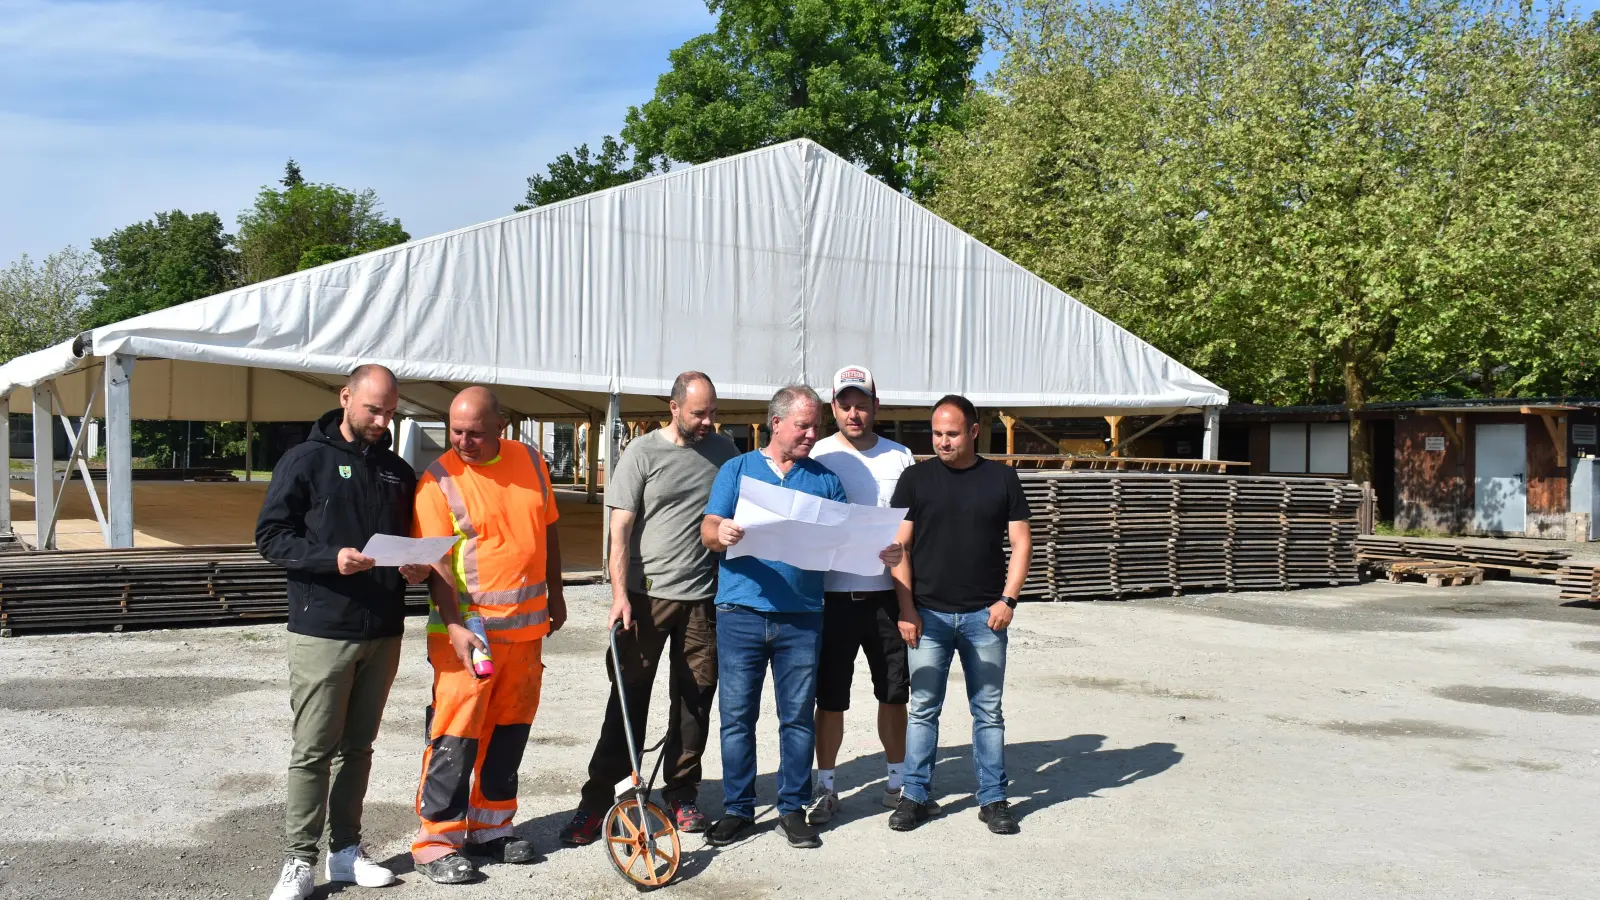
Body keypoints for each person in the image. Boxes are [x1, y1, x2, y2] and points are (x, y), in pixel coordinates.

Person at [256, 364, 431, 900]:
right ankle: (298, 860)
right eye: (373, 409)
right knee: (313, 749)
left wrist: (416, 567)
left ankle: (346, 852)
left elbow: (408, 539)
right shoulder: (305, 460)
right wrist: (330, 558)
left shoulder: (399, 472)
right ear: (346, 397)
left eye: (390, 412)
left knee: (358, 748)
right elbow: (271, 537)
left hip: (383, 627)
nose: (382, 421)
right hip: (323, 629)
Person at [559, 372, 738, 845]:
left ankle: (681, 794)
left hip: (702, 600)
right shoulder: (641, 453)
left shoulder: (725, 453)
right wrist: (619, 595)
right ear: (674, 407)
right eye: (699, 413)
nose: (708, 421)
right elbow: (619, 532)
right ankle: (600, 800)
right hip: (645, 598)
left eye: (713, 412)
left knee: (694, 700)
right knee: (627, 699)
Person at [409, 386, 566, 884]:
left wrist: (557, 594)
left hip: (524, 633)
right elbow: (436, 561)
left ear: (501, 426)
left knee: (509, 730)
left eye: (475, 433)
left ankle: (491, 827)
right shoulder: (438, 481)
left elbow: (547, 528)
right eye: (456, 431)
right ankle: (437, 840)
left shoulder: (531, 462)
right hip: (466, 634)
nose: (463, 441)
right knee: (456, 733)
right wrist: (455, 625)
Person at [699, 385, 855, 850]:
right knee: (736, 717)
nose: (811, 434)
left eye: (816, 427)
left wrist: (876, 550)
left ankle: (792, 808)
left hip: (801, 617)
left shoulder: (826, 481)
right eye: (803, 426)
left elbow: (845, 542)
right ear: (776, 424)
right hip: (740, 612)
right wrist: (722, 533)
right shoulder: (737, 470)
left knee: (797, 719)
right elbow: (708, 529)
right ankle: (738, 809)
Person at [887, 394, 1032, 835]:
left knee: (988, 711)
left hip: (984, 617)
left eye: (952, 434)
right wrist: (906, 608)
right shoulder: (915, 478)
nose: (943, 442)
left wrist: (1008, 600)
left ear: (973, 431)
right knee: (922, 709)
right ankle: (915, 795)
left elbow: (1022, 543)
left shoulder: (1002, 478)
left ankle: (993, 799)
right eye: (936, 434)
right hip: (928, 616)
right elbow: (898, 547)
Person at [805, 365, 914, 824]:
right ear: (832, 407)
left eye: (862, 404)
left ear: (876, 406)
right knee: (830, 698)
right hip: (831, 598)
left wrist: (908, 604)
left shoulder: (900, 457)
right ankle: (826, 786)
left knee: (893, 693)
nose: (854, 413)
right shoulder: (819, 453)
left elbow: (910, 527)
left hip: (885, 596)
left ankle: (897, 782)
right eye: (845, 405)